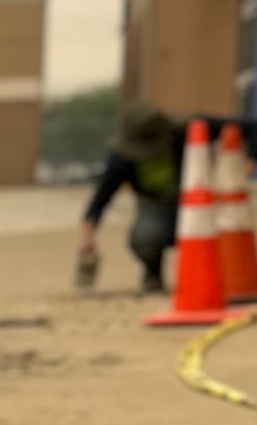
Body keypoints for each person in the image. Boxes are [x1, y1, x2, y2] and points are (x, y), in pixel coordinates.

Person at [77, 101, 180, 292]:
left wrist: (248, 158)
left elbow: (250, 129)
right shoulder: (122, 158)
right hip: (155, 205)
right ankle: (153, 273)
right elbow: (101, 198)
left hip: (201, 202)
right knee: (146, 238)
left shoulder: (185, 129)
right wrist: (87, 238)